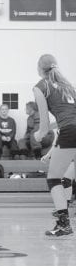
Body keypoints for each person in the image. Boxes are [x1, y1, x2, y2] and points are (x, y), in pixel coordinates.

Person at [33, 54, 76, 237]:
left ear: (39, 69)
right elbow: (66, 117)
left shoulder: (40, 86)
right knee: (65, 178)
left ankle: (64, 224)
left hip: (70, 132)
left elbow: (44, 123)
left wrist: (39, 135)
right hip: (71, 128)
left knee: (54, 179)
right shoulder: (69, 86)